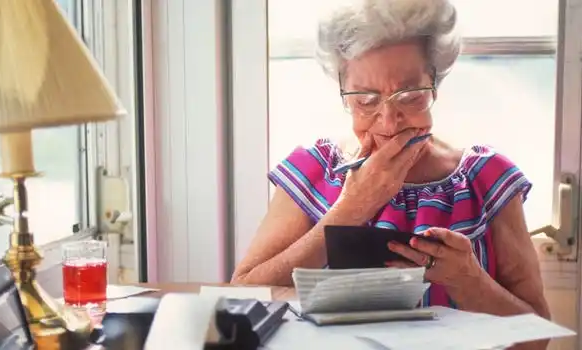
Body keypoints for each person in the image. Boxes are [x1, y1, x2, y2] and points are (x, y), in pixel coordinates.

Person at [232, 0, 550, 333]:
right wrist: (350, 210)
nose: (388, 121)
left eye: (411, 96)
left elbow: (536, 340)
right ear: (343, 95)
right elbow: (242, 296)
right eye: (365, 101)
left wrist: (470, 281)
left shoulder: (486, 179)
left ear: (435, 85)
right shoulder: (313, 170)